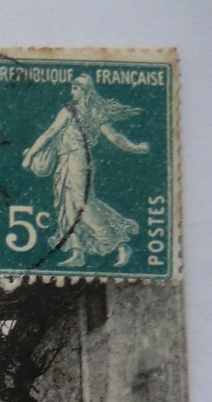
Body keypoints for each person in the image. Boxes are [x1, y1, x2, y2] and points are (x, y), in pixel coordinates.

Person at [21, 75, 150, 270]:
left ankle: (119, 242)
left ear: (86, 91)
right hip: (66, 161)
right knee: (68, 205)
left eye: (76, 88)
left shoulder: (86, 111)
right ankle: (77, 251)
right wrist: (30, 155)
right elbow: (50, 133)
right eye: (72, 88)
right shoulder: (70, 110)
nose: (72, 92)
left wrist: (135, 148)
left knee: (83, 205)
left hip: (79, 160)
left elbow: (114, 137)